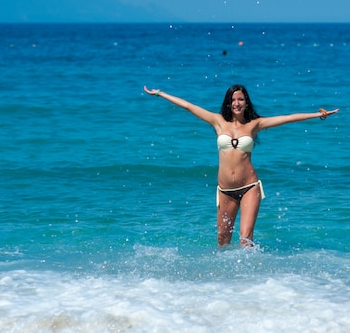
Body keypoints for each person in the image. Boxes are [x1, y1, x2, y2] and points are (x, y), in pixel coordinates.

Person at [143, 85, 339, 247]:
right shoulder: (218, 121)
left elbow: (287, 118)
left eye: (241, 99)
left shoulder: (255, 124)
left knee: (246, 239)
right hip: (225, 191)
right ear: (229, 103)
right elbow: (188, 106)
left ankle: (253, 285)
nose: (237, 103)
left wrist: (317, 114)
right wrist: (160, 94)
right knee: (222, 241)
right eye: (233, 100)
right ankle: (225, 285)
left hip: (249, 187)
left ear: (246, 103)